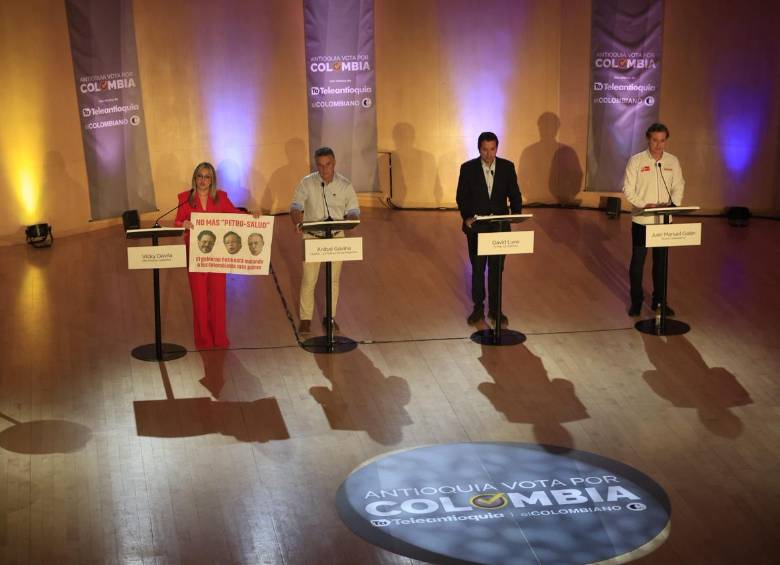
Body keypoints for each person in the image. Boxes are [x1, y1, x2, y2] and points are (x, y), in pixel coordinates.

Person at [290, 146, 360, 334]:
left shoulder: (345, 185)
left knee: (333, 280)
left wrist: (351, 221)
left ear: (334, 163)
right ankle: (305, 319)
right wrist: (298, 223)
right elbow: (295, 207)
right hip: (313, 237)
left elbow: (353, 210)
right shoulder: (307, 183)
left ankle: (329, 317)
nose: (324, 170)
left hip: (336, 237)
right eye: (320, 166)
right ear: (316, 165)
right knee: (309, 280)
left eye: (328, 164)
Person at [456, 131, 523, 325]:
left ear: (497, 148)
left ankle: (495, 310)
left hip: (499, 228)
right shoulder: (467, 168)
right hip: (477, 228)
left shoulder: (507, 167)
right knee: (478, 269)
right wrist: (467, 217)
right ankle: (478, 309)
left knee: (496, 270)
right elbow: (462, 196)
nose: (488, 154)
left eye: (492, 149)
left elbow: (515, 194)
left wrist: (517, 213)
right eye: (485, 149)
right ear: (479, 149)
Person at [175, 162, 243, 349]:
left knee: (218, 297)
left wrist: (250, 217)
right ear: (195, 178)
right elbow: (178, 221)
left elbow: (235, 215)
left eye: (207, 177)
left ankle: (219, 337)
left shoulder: (220, 197)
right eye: (200, 176)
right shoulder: (184, 198)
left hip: (217, 255)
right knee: (199, 298)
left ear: (212, 180)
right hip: (195, 255)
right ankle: (203, 338)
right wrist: (183, 225)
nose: (203, 180)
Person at [623, 123, 685, 317]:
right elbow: (628, 189)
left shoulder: (672, 161)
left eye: (662, 141)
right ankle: (636, 301)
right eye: (655, 140)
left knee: (661, 264)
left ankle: (660, 301)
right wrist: (643, 204)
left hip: (664, 221)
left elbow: (679, 185)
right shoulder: (636, 161)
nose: (659, 145)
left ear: (666, 141)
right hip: (643, 220)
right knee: (638, 263)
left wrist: (673, 205)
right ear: (648, 139)